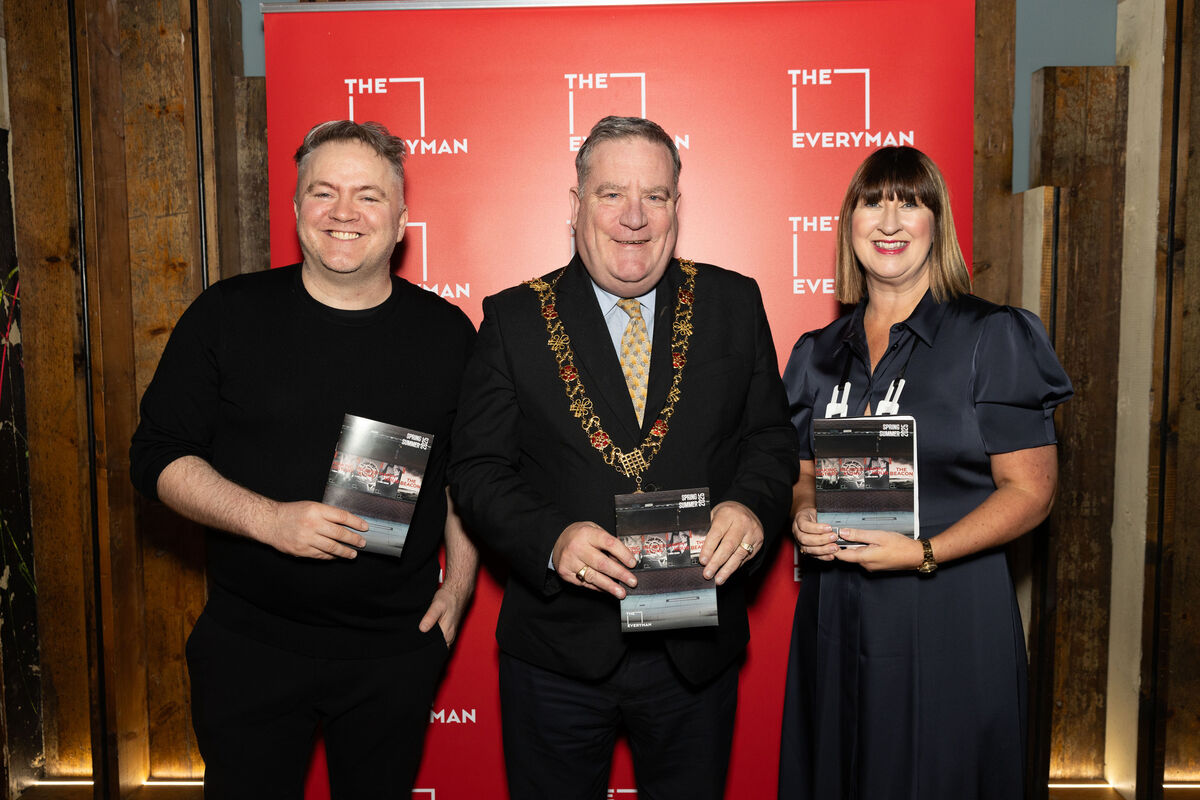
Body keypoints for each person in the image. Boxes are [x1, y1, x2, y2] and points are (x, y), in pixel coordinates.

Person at [447, 115, 798, 800]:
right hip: (557, 657)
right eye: (612, 195)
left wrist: (752, 508)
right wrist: (551, 538)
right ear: (576, 206)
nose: (634, 217)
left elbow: (771, 441)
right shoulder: (514, 318)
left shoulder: (733, 302)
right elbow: (477, 471)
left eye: (656, 196)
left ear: (676, 206)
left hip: (695, 658)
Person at [129, 120, 477, 799]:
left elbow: (466, 477)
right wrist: (269, 520)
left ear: (401, 220)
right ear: (295, 210)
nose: (344, 212)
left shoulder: (448, 336)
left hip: (393, 651)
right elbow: (157, 456)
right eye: (324, 192)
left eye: (369, 196)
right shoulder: (226, 314)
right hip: (250, 645)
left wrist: (458, 588)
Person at [777, 146, 1072, 799]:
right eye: (871, 202)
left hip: (950, 615)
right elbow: (801, 472)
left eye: (909, 202)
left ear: (937, 224)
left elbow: (1032, 492)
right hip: (836, 617)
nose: (889, 221)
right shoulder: (816, 355)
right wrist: (802, 512)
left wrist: (924, 552)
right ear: (848, 223)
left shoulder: (991, 336)